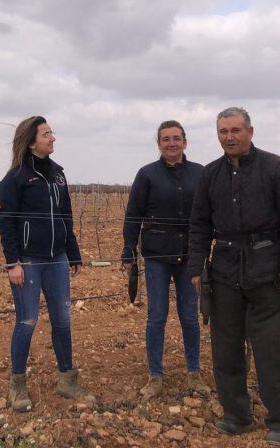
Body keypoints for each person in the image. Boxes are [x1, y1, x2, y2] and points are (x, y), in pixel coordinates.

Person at [188, 107, 280, 446]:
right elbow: (199, 225)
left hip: (268, 274)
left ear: (251, 132)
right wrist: (197, 267)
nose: (229, 137)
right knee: (225, 349)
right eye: (223, 131)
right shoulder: (210, 175)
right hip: (224, 272)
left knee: (270, 348)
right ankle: (237, 416)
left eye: (236, 130)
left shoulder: (276, 168)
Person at [0, 116, 95, 412]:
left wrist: (73, 252)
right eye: (47, 134)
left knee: (63, 321)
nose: (53, 138)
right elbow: (7, 222)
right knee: (27, 322)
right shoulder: (15, 179)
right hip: (28, 261)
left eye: (52, 133)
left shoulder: (58, 175)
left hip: (57, 259)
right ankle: (17, 386)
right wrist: (12, 263)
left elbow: (65, 214)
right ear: (31, 142)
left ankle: (66, 379)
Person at [122, 120, 211, 400]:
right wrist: (128, 250)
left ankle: (194, 373)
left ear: (185, 142)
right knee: (156, 317)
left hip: (190, 256)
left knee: (189, 317)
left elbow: (210, 214)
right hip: (157, 254)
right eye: (165, 139)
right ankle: (155, 377)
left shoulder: (201, 173)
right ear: (158, 143)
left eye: (176, 138)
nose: (171, 143)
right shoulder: (147, 174)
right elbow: (133, 214)